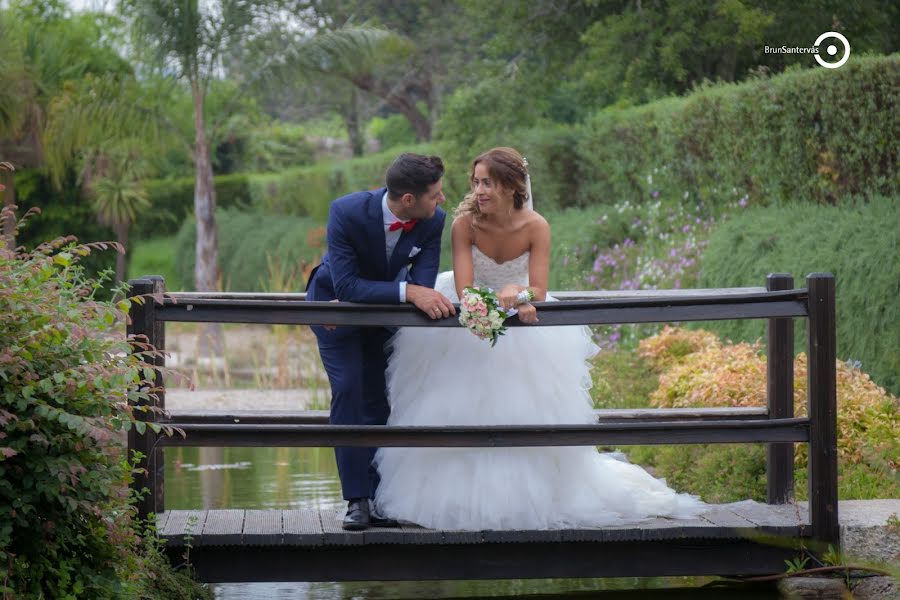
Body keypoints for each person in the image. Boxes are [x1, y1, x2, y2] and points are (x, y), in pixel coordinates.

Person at [373, 147, 705, 530]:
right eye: (476, 181)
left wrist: (520, 294)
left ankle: (531, 498)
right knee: (454, 408)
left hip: (519, 321)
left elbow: (540, 290)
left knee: (524, 409)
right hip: (468, 317)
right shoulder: (464, 224)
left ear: (513, 187)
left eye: (488, 183)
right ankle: (449, 500)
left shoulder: (536, 226)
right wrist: (486, 307)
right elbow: (465, 289)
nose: (478, 190)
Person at [306, 153, 455, 531]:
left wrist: (410, 292)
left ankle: (382, 499)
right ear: (408, 199)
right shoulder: (346, 212)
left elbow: (423, 284)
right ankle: (357, 500)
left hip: (384, 317)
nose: (442, 201)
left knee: (380, 397)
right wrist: (406, 292)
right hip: (335, 313)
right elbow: (347, 286)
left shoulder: (432, 221)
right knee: (348, 388)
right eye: (435, 194)